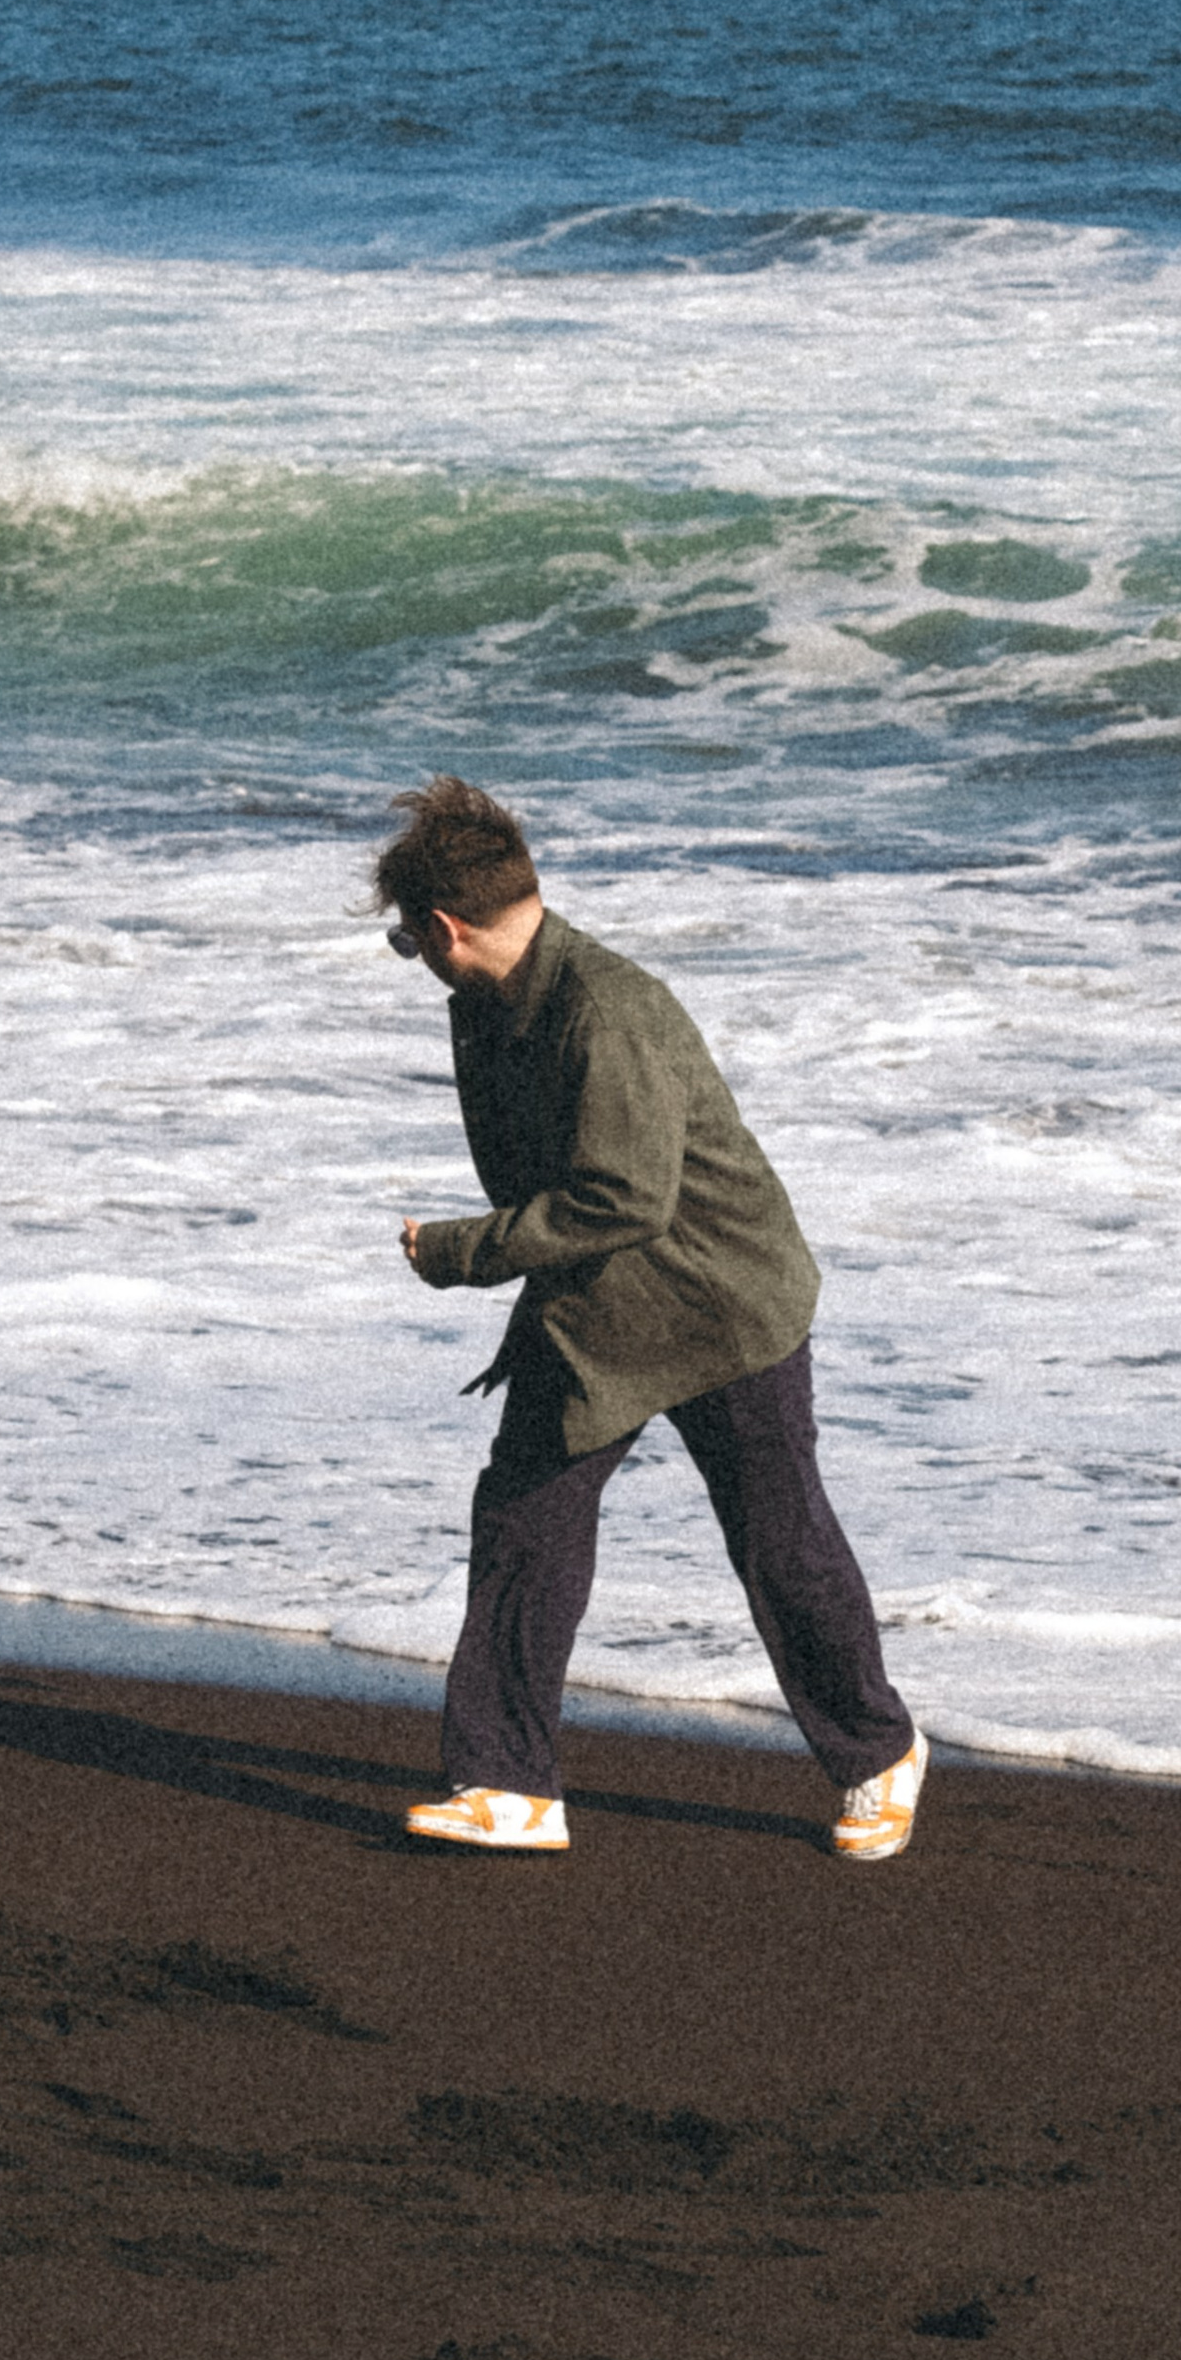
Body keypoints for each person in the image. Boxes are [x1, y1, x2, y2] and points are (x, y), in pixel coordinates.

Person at [376, 776, 927, 1862]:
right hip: (594, 1312)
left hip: (721, 1305)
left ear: (444, 927)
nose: (415, 959)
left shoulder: (607, 1009)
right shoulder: (497, 1001)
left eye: (409, 941)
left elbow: (621, 1198)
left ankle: (877, 1753)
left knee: (779, 1538)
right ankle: (508, 1787)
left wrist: (454, 1253)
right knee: (524, 1521)